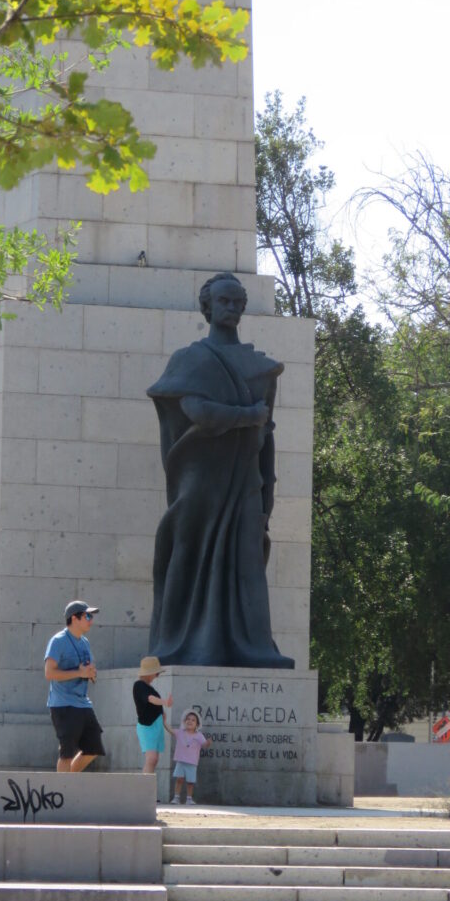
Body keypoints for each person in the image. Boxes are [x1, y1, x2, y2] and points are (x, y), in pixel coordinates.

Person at [146, 272, 294, 669]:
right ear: (207, 307)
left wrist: (268, 494)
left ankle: (256, 649)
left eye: (237, 302)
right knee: (187, 558)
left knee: (248, 561)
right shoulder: (190, 360)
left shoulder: (263, 369)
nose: (231, 308)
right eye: (224, 301)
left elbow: (269, 436)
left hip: (245, 480)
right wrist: (247, 416)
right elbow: (198, 412)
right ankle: (177, 643)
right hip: (200, 484)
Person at [44, 600, 106, 772]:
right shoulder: (58, 641)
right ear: (74, 618)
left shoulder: (84, 642)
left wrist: (91, 673)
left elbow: (87, 668)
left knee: (93, 749)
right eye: (87, 616)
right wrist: (79, 673)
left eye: (91, 616)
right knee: (67, 753)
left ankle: (68, 782)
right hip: (63, 704)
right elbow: (49, 673)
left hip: (83, 703)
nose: (91, 620)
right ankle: (61, 791)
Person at [133, 655, 173, 775]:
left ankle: (147, 786)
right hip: (147, 726)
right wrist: (165, 702)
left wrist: (162, 712)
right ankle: (144, 787)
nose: (157, 676)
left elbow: (153, 704)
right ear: (149, 673)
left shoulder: (148, 687)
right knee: (151, 758)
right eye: (156, 673)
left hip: (156, 725)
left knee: (154, 759)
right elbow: (150, 699)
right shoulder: (139, 685)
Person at [165, 708, 211, 804]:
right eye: (188, 719)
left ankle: (189, 798)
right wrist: (164, 721)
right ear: (184, 721)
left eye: (193, 720)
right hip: (181, 761)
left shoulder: (199, 735)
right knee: (179, 779)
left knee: (190, 782)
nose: (190, 721)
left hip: (192, 762)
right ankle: (176, 797)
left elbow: (204, 745)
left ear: (197, 725)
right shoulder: (180, 732)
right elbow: (170, 730)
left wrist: (208, 743)